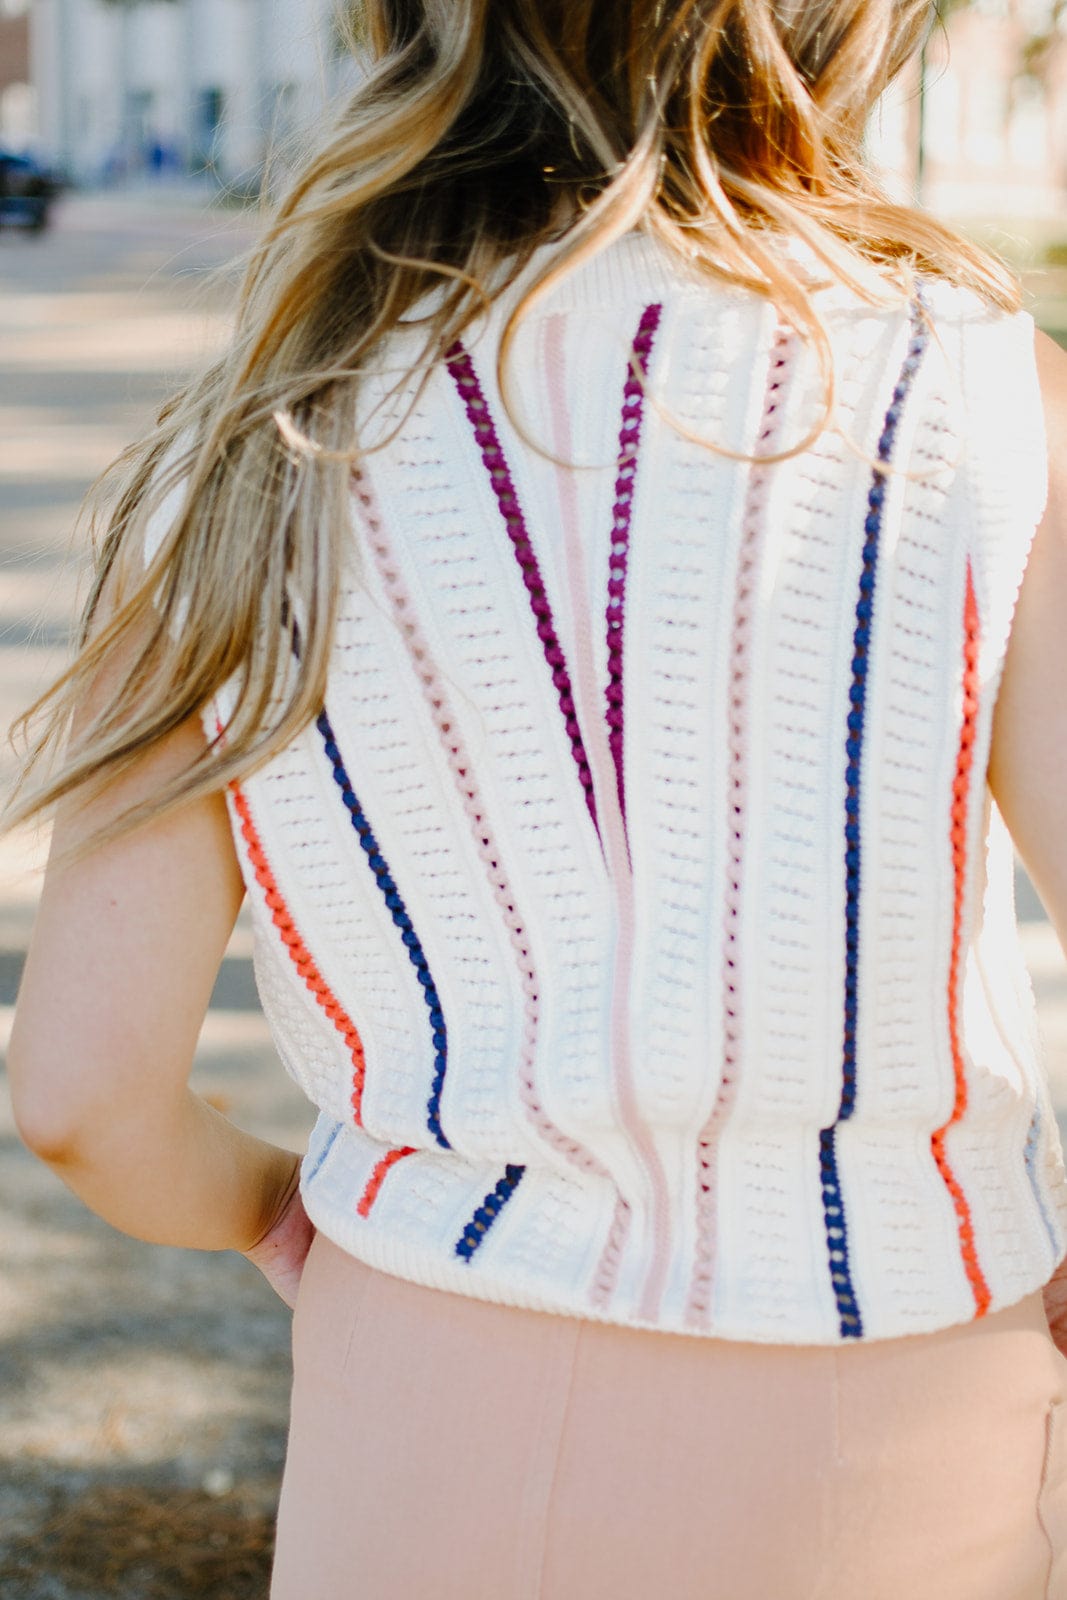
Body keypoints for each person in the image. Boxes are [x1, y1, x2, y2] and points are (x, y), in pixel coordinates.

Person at [6, 1, 1067, 1595]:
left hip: (428, 1384)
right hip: (916, 1389)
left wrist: (285, 1215)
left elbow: (82, 1095)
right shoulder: (988, 396)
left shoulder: (243, 456)